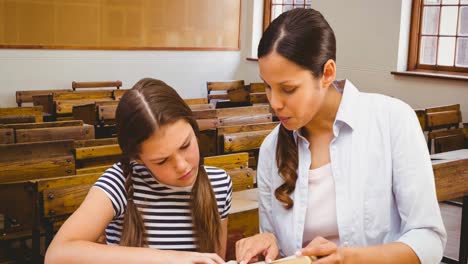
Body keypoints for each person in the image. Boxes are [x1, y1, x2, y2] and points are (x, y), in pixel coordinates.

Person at [235, 8, 446, 264]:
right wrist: (268, 243)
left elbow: (429, 240)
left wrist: (350, 258)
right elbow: (281, 249)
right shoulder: (272, 148)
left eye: (288, 89)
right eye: (267, 86)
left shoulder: (392, 121)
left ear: (327, 73)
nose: (274, 103)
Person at [45, 78, 232, 264]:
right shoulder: (119, 183)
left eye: (185, 145)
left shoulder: (219, 183)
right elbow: (57, 255)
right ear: (138, 159)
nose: (182, 165)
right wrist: (170, 257)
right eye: (162, 160)